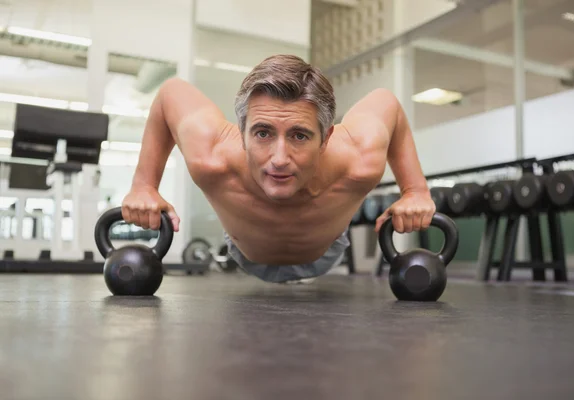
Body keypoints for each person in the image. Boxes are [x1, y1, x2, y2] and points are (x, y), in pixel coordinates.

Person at [122, 54, 435, 283]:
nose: (280, 158)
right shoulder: (211, 156)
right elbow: (168, 94)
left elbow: (388, 103)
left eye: (299, 135)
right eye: (262, 133)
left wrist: (415, 190)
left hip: (326, 254)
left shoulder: (359, 158)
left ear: (327, 137)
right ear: (242, 132)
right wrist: (144, 185)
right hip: (244, 254)